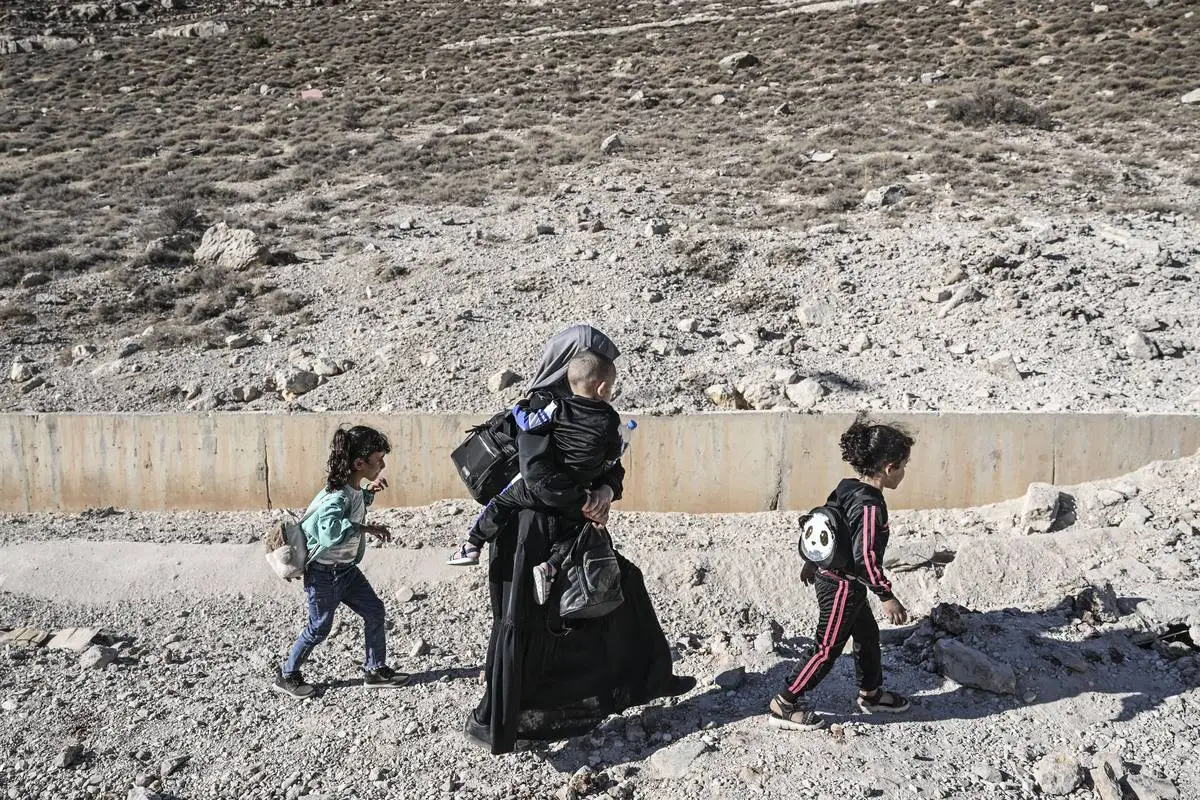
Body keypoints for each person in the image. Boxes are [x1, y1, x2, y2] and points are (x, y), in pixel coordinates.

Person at [464, 324, 694, 754]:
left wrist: (606, 490)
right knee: (526, 621)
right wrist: (587, 499)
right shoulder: (538, 408)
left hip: (573, 524)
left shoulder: (591, 412)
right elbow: (536, 477)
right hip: (528, 532)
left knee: (619, 589)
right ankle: (490, 718)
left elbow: (609, 464)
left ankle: (646, 681)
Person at [768, 415, 915, 731]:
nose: (905, 472)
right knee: (825, 649)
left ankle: (871, 694)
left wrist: (812, 560)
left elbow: (825, 523)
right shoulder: (872, 507)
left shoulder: (847, 487)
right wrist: (887, 596)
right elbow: (866, 559)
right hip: (841, 587)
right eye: (904, 466)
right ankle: (784, 702)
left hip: (839, 579)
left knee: (867, 636)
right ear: (889, 468)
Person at [449, 350, 624, 606]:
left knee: (502, 501)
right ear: (602, 388)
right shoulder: (610, 418)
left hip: (540, 490)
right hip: (581, 489)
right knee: (581, 528)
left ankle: (472, 544)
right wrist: (599, 484)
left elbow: (529, 423)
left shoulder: (556, 407)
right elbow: (615, 454)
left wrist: (520, 407)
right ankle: (551, 567)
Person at [273, 425, 410, 699]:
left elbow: (356, 502)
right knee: (319, 628)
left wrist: (371, 491)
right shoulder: (335, 496)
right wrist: (367, 529)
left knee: (374, 611)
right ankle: (287, 675)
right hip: (324, 575)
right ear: (359, 463)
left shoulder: (352, 488)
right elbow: (331, 531)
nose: (382, 465)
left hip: (346, 571)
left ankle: (374, 671)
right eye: (378, 460)